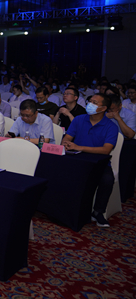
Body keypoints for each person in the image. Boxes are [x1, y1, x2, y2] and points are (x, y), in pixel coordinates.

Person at [61, 93, 119, 227]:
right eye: (90, 101)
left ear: (103, 108)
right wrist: (66, 143)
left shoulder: (111, 127)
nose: (90, 104)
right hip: (77, 158)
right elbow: (68, 137)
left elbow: (106, 150)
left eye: (94, 103)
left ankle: (98, 212)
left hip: (99, 162)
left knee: (107, 180)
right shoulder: (79, 119)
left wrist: (79, 147)